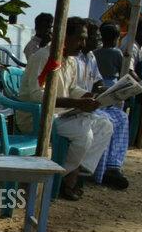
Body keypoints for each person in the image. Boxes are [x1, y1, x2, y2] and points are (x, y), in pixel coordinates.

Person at [17, 16, 113, 200]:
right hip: (36, 116)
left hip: (59, 114)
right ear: (64, 37)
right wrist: (76, 103)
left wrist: (85, 95)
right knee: (84, 133)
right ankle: (57, 178)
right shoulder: (45, 57)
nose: (83, 43)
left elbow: (71, 88)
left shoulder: (70, 60)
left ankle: (60, 174)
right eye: (80, 38)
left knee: (104, 125)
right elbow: (39, 95)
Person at [78, 21, 130, 190]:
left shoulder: (91, 57)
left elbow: (97, 82)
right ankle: (98, 171)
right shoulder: (74, 59)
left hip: (93, 100)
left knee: (121, 116)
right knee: (106, 121)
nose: (98, 42)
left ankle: (113, 166)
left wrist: (110, 91)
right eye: (95, 38)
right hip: (79, 104)